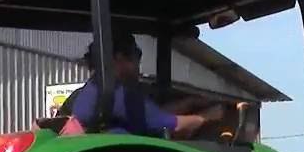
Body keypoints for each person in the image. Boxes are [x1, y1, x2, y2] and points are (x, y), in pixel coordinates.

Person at [62, 30, 223, 138]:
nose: (139, 66)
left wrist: (190, 103)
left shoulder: (94, 89)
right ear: (118, 58)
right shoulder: (116, 94)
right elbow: (173, 127)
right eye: (136, 56)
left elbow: (148, 116)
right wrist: (209, 116)